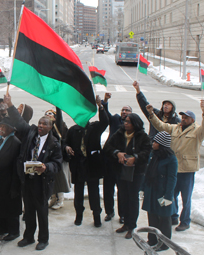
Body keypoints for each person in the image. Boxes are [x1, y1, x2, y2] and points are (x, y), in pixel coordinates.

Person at [3, 93, 62, 251]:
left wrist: (46, 167)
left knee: (41, 212)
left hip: (41, 183)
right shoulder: (31, 133)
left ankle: (43, 239)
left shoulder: (54, 144)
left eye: (44, 124)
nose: (41, 126)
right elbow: (19, 121)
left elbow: (57, 164)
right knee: (28, 211)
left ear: (50, 127)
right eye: (40, 123)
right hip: (27, 180)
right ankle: (28, 237)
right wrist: (10, 104)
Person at [146, 100, 204, 232]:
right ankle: (173, 216)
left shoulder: (198, 132)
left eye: (186, 117)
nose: (183, 119)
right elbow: (161, 126)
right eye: (182, 117)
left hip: (187, 170)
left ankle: (185, 221)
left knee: (186, 198)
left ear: (192, 119)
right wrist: (151, 114)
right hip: (174, 169)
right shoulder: (175, 128)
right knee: (171, 194)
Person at [104, 113, 152, 239]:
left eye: (129, 122)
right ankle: (125, 222)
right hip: (120, 170)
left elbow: (147, 153)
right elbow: (107, 147)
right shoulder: (119, 133)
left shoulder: (142, 136)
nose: (125, 123)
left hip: (136, 173)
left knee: (132, 198)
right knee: (123, 196)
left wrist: (135, 158)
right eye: (125, 121)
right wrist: (117, 153)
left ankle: (132, 226)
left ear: (135, 124)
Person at [65, 95, 108, 227]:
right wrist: (66, 147)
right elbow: (65, 143)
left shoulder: (95, 128)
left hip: (92, 166)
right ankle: (79, 215)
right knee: (78, 193)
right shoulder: (73, 130)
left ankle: (96, 215)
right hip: (78, 166)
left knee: (94, 193)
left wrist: (100, 106)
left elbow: (105, 121)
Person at [141, 131, 177, 251]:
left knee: (164, 218)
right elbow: (147, 172)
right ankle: (152, 239)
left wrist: (168, 196)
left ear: (161, 144)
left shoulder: (171, 159)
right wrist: (143, 188)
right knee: (152, 216)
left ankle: (164, 243)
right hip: (151, 190)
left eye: (156, 141)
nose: (153, 143)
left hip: (162, 192)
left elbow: (172, 178)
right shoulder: (153, 154)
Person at [0, 117, 22, 241]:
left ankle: (14, 231)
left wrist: (15, 186)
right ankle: (3, 227)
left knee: (11, 207)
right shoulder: (1, 140)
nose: (0, 129)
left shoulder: (15, 142)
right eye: (0, 126)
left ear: (10, 129)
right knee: (0, 204)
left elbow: (16, 166)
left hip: (9, 180)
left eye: (3, 127)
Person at [101, 92, 132, 223]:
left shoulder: (133, 125)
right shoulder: (115, 120)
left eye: (127, 110)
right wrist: (105, 101)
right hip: (109, 160)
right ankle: (109, 212)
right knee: (108, 188)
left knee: (122, 191)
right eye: (123, 110)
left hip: (122, 163)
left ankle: (123, 214)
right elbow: (105, 114)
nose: (124, 112)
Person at [45, 108, 70, 210]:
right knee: (51, 178)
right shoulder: (47, 127)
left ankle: (60, 200)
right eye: (46, 114)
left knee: (60, 179)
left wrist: (58, 107)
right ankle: (54, 198)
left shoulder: (59, 126)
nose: (48, 116)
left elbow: (59, 119)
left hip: (59, 157)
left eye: (50, 114)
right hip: (49, 157)